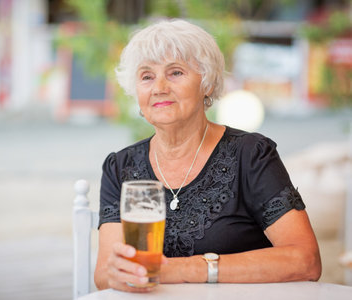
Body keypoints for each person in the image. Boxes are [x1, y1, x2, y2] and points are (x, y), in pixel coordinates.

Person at [94, 19, 321, 292]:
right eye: (146, 76)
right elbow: (105, 275)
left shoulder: (251, 155)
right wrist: (119, 274)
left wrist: (184, 269)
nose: (159, 87)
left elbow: (306, 261)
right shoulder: (121, 167)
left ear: (207, 84)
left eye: (176, 72)